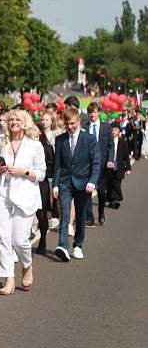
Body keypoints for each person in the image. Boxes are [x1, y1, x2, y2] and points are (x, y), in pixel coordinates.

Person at [0, 110, 46, 294]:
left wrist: (24, 172)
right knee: (3, 238)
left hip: (25, 194)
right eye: (11, 119)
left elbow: (42, 173)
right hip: (2, 192)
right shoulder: (1, 141)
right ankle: (8, 279)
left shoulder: (35, 145)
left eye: (17, 120)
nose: (14, 122)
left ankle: (27, 265)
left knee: (20, 240)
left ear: (25, 123)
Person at [52, 107, 101, 262]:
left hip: (84, 183)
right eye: (67, 124)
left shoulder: (90, 140)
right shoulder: (60, 139)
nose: (70, 127)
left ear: (79, 121)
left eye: (72, 123)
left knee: (80, 216)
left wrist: (92, 181)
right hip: (65, 182)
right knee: (65, 214)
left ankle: (78, 245)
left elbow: (96, 163)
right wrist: (55, 184)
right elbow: (57, 164)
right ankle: (63, 246)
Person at [84, 103, 111, 226]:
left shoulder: (106, 127)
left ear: (99, 112)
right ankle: (90, 217)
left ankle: (101, 211)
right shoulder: (85, 126)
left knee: (101, 192)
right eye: (90, 112)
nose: (92, 115)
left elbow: (111, 145)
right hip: (88, 164)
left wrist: (110, 160)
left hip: (102, 165)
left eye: (94, 112)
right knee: (88, 190)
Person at [34, 120, 56, 255]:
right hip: (27, 183)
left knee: (41, 214)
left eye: (36, 129)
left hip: (42, 184)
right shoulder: (25, 146)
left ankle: (42, 239)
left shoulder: (46, 147)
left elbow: (52, 166)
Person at [104, 121, 131, 209]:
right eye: (112, 130)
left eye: (115, 130)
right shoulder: (107, 141)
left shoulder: (122, 142)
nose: (113, 132)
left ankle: (117, 200)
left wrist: (128, 168)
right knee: (109, 184)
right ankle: (111, 201)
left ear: (119, 131)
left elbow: (126, 156)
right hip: (108, 166)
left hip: (119, 166)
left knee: (117, 184)